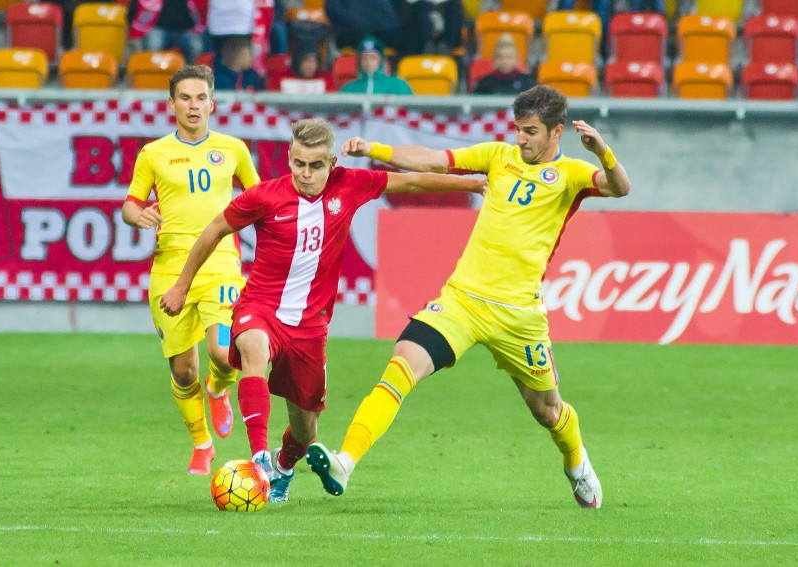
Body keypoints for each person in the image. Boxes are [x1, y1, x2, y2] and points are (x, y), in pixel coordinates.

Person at [306, 84, 631, 509]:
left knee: (548, 411)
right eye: (518, 129)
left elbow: (620, 187)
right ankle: (344, 462)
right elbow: (433, 158)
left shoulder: (571, 173)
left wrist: (602, 151)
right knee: (402, 363)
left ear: (556, 132)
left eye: (531, 131)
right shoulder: (498, 157)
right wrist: (374, 148)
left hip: (519, 317)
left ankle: (576, 464)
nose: (521, 139)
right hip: (463, 301)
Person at [159, 118, 487, 503]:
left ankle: (282, 466)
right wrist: (181, 285)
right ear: (290, 159)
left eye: (315, 165)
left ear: (331, 164)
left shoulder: (351, 185)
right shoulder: (264, 197)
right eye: (298, 164)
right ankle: (260, 458)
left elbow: (412, 182)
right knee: (252, 345)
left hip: (310, 327)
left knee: (305, 430)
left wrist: (474, 184)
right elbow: (215, 229)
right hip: (261, 305)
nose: (305, 173)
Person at [121, 64, 261, 476]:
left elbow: (257, 197)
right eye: (185, 98)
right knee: (184, 371)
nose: (193, 105)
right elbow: (130, 203)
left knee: (222, 351)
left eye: (201, 98)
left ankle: (219, 389)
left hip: (221, 265)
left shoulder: (233, 149)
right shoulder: (154, 153)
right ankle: (202, 445)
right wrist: (137, 216)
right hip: (169, 268)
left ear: (213, 104)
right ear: (172, 105)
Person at [128, 0, 207, 65]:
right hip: (158, 28)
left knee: (196, 45)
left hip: (185, 30)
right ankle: (156, 76)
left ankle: (188, 75)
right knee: (154, 44)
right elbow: (132, 13)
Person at [339, 36, 413, 95]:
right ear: (359, 63)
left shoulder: (399, 85)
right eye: (364, 58)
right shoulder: (348, 89)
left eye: (373, 58)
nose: (368, 62)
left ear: (381, 61)